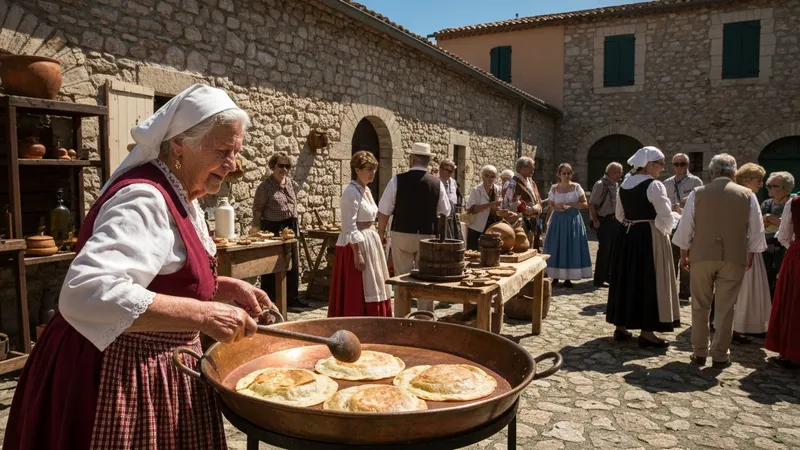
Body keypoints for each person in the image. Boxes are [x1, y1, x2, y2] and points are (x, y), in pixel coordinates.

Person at [4, 85, 273, 449]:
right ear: (179, 144)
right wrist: (205, 314)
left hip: (158, 367)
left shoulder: (183, 196)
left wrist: (222, 286)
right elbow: (87, 291)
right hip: (116, 374)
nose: (233, 165)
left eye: (236, 152)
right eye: (224, 151)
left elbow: (162, 272)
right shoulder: (144, 198)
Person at [673, 154, 766, 368]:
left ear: (712, 173)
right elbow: (756, 229)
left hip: (702, 255)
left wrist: (684, 252)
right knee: (726, 307)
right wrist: (750, 253)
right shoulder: (748, 196)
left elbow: (686, 227)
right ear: (734, 173)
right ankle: (720, 354)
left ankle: (699, 351)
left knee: (700, 305)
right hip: (734, 256)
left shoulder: (698, 193)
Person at [606, 146, 680, 348]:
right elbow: (665, 216)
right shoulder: (654, 186)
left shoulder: (625, 184)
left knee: (626, 278)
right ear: (649, 164)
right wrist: (665, 232)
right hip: (648, 236)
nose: (662, 168)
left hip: (627, 236)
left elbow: (620, 215)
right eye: (660, 164)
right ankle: (647, 332)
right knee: (648, 279)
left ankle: (620, 326)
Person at [378, 143, 450, 313]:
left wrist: (381, 233)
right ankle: (425, 317)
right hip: (427, 235)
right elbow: (445, 211)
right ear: (428, 162)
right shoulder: (436, 183)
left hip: (402, 232)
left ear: (411, 159)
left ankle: (402, 316)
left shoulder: (397, 180)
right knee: (426, 279)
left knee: (402, 279)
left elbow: (384, 210)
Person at [328, 151, 392, 317]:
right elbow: (349, 226)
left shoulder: (366, 191)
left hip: (370, 242)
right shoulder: (350, 193)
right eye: (369, 169)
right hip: (356, 246)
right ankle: (358, 319)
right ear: (357, 169)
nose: (373, 173)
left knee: (374, 284)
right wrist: (357, 253)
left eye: (374, 169)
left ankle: (376, 319)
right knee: (359, 288)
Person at [251, 152, 306, 308]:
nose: (284, 169)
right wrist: (256, 229)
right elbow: (257, 210)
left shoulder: (292, 184)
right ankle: (271, 299)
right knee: (272, 266)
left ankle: (292, 298)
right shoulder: (265, 187)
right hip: (273, 228)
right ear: (272, 166)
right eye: (280, 165)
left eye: (287, 166)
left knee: (293, 263)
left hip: (291, 227)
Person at [730, 163, 771, 343]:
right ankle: (739, 327)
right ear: (748, 181)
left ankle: (743, 325)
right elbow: (756, 227)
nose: (761, 184)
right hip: (746, 246)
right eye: (758, 180)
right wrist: (754, 250)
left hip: (734, 245)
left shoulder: (732, 194)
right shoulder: (749, 196)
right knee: (746, 287)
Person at [765, 194, 800, 369]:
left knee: (794, 301)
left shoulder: (795, 203)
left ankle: (791, 352)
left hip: (798, 256)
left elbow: (784, 235)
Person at [542, 163, 592, 287]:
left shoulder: (576, 187)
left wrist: (572, 204)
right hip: (558, 219)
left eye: (568, 173)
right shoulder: (554, 188)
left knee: (570, 245)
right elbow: (550, 203)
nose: (566, 175)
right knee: (556, 245)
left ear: (572, 174)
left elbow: (584, 204)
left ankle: (568, 277)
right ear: (559, 174)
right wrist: (556, 207)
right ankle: (555, 276)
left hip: (572, 219)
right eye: (564, 173)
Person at [663, 153, 704, 301]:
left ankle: (685, 293)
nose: (679, 167)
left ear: (688, 165)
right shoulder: (666, 183)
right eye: (677, 164)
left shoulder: (695, 182)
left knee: (686, 259)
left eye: (683, 164)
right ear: (672, 165)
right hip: (671, 226)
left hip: (688, 225)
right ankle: (670, 291)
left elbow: (700, 202)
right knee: (671, 258)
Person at [589, 162, 623, 287]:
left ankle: (608, 276)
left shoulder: (615, 185)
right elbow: (592, 204)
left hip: (615, 221)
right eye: (617, 172)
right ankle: (599, 278)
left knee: (613, 249)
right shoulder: (601, 185)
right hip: (604, 220)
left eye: (620, 172)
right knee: (604, 249)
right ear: (610, 173)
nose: (620, 175)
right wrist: (596, 220)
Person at [762, 171, 795, 297]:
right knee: (766, 277)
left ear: (786, 189)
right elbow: (760, 224)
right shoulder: (766, 204)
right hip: (765, 247)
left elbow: (788, 227)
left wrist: (770, 219)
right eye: (769, 185)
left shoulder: (793, 204)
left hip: (784, 249)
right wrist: (774, 220)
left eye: (774, 186)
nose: (770, 188)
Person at [503, 157, 543, 250]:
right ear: (522, 168)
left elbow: (538, 200)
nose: (533, 169)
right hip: (519, 225)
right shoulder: (512, 183)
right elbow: (507, 206)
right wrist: (528, 209)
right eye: (531, 167)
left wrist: (538, 207)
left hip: (533, 224)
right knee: (521, 250)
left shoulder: (531, 183)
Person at [465, 165, 503, 250]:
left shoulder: (498, 190)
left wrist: (498, 209)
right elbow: (472, 209)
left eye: (492, 176)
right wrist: (490, 205)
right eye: (487, 176)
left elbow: (499, 207)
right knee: (473, 252)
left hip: (492, 226)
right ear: (482, 176)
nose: (490, 179)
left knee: (490, 252)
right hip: (476, 226)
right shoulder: (476, 190)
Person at [439, 159, 464, 241]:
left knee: (454, 238)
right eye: (448, 170)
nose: (450, 173)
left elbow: (458, 198)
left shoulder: (454, 183)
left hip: (453, 215)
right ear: (441, 169)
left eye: (452, 171)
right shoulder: (436, 182)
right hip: (441, 216)